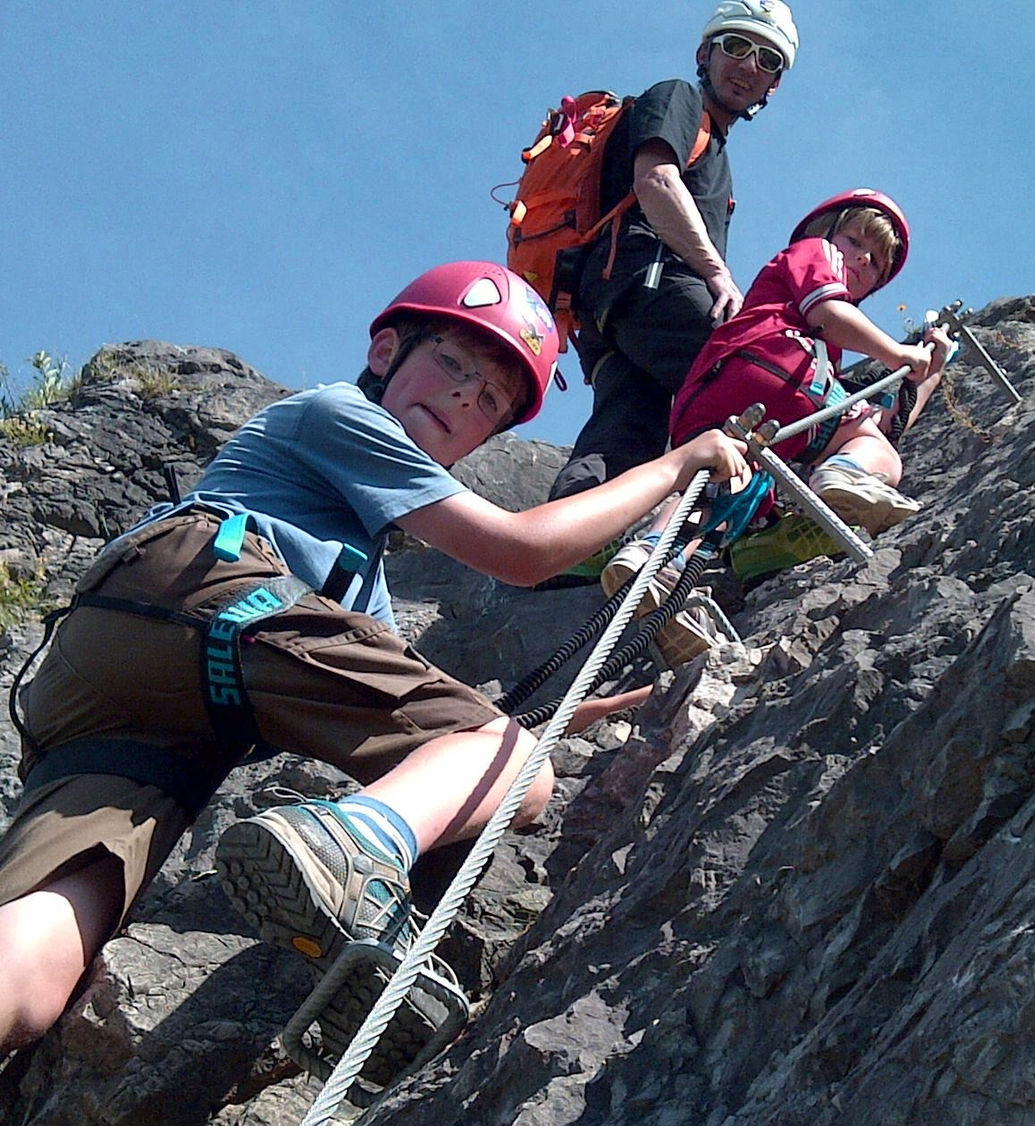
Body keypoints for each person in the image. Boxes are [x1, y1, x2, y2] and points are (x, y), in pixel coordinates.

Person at [0, 261, 749, 1076]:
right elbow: (524, 553)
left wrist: (607, 709)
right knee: (524, 777)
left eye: (491, 401)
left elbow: (420, 725)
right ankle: (355, 848)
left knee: (38, 965)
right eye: (456, 365)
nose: (468, 397)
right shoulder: (338, 413)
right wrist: (677, 466)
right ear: (387, 348)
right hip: (206, 594)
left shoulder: (359, 584)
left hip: (125, 698)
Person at [602, 190, 953, 640]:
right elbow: (828, 312)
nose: (863, 258)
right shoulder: (814, 255)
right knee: (878, 456)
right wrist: (895, 352)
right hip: (779, 365)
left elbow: (886, 424)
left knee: (721, 488)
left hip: (714, 392)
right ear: (825, 233)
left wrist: (928, 375)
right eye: (854, 240)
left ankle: (655, 556)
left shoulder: (818, 340)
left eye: (877, 262)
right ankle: (844, 475)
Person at [545, 1, 799, 542]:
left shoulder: (717, 152)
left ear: (773, 85)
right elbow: (655, 181)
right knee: (757, 377)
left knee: (624, 432)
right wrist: (719, 276)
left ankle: (566, 549)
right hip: (648, 285)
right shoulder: (679, 98)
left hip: (610, 309)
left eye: (767, 59)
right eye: (736, 47)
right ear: (704, 53)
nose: (749, 65)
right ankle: (768, 529)